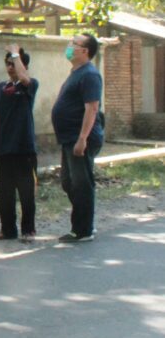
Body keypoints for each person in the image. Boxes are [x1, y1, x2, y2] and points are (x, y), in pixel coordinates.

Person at [51, 32, 103, 243]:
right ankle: (84, 222)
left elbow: (92, 108)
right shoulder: (76, 72)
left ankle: (83, 230)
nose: (69, 46)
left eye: (75, 43)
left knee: (81, 183)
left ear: (85, 51)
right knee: (68, 182)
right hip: (68, 137)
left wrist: (83, 138)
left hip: (80, 137)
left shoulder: (89, 74)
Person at [0, 44, 38, 241]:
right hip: (5, 148)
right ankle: (7, 229)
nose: (10, 68)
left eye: (14, 64)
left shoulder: (30, 85)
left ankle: (28, 230)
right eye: (8, 64)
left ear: (23, 65)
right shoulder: (1, 88)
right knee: (5, 193)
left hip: (25, 148)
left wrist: (17, 54)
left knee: (26, 192)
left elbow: (24, 79)